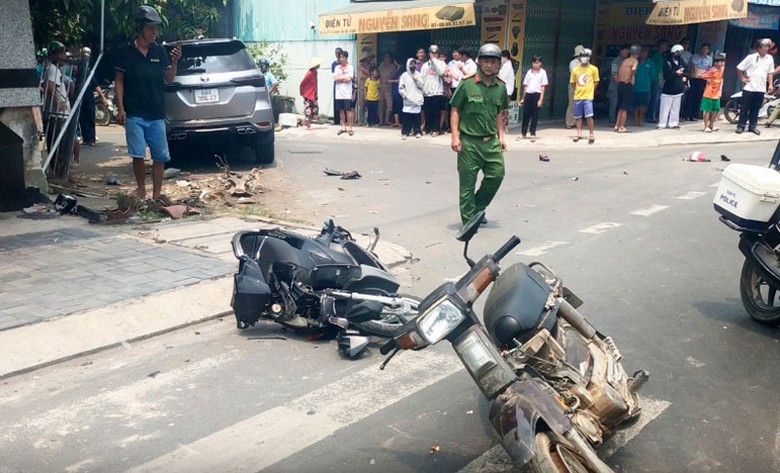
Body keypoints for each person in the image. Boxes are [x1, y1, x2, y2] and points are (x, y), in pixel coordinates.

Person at [115, 5, 180, 200]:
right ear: (140, 27)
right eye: (150, 28)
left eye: (156, 28)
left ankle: (156, 195)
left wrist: (175, 61)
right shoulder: (125, 51)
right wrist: (121, 108)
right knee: (138, 155)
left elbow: (169, 77)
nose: (154, 32)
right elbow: (119, 81)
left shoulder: (159, 51)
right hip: (134, 112)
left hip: (156, 113)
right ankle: (141, 189)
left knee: (160, 156)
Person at [449, 43, 508, 226]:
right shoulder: (467, 84)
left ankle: (477, 208)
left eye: (493, 62)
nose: (489, 65)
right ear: (479, 62)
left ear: (498, 64)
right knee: (467, 184)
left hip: (491, 142)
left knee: (497, 175)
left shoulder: (501, 87)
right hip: (469, 142)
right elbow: (455, 109)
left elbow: (499, 113)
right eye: (485, 61)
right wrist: (455, 136)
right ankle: (469, 221)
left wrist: (501, 136)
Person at [736, 38, 775, 135]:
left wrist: (770, 84)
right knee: (745, 108)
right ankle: (741, 126)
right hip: (749, 87)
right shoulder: (751, 57)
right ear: (759, 47)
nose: (767, 48)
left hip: (761, 88)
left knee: (756, 108)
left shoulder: (769, 58)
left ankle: (753, 126)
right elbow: (739, 68)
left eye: (768, 47)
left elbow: (770, 72)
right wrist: (742, 78)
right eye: (765, 46)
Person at [42, 41, 71, 168]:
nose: (64, 56)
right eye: (62, 53)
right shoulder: (52, 69)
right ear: (55, 55)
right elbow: (49, 86)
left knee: (59, 145)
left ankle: (59, 170)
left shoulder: (54, 69)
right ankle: (58, 170)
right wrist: (58, 102)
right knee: (58, 145)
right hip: (56, 115)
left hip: (58, 114)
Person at [570, 47, 599, 144]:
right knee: (578, 116)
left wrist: (591, 90)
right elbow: (572, 83)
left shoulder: (594, 69)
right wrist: (577, 90)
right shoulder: (575, 70)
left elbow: (596, 81)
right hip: (578, 96)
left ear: (589, 57)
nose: (584, 58)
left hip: (588, 97)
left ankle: (591, 133)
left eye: (586, 56)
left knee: (589, 116)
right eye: (582, 56)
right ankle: (579, 133)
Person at [658, 44, 688, 130]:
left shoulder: (681, 62)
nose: (679, 55)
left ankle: (673, 123)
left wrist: (685, 77)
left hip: (678, 89)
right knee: (665, 108)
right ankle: (662, 123)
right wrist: (676, 73)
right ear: (673, 53)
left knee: (675, 108)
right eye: (677, 53)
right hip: (668, 90)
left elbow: (686, 71)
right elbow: (667, 76)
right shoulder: (667, 63)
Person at [518, 55, 547, 141]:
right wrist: (524, 98)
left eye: (537, 62)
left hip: (537, 94)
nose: (535, 64)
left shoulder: (542, 73)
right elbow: (526, 86)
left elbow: (543, 87)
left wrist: (540, 99)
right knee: (526, 114)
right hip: (528, 94)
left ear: (540, 63)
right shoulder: (529, 72)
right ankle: (523, 133)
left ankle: (532, 133)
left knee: (534, 115)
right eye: (534, 62)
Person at [420, 44, 446, 136]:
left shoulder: (441, 63)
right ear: (429, 53)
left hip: (437, 91)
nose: (433, 55)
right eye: (432, 53)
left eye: (435, 53)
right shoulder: (425, 65)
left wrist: (435, 61)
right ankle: (428, 128)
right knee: (428, 111)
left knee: (436, 112)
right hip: (427, 91)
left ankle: (436, 129)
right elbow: (422, 77)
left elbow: (441, 72)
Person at [614, 45, 639, 133]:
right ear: (637, 53)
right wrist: (631, 77)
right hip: (627, 84)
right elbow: (634, 68)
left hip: (620, 84)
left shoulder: (625, 61)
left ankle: (617, 125)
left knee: (621, 106)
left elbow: (619, 71)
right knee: (625, 107)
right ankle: (621, 126)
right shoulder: (634, 61)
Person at [398, 58, 424, 139]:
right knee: (407, 117)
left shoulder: (418, 74)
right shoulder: (404, 75)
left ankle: (417, 131)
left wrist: (416, 80)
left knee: (416, 117)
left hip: (416, 99)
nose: (413, 66)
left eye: (414, 64)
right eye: (411, 64)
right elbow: (401, 88)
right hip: (408, 99)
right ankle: (405, 132)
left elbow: (422, 86)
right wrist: (405, 95)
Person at [684, 43, 711, 121]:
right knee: (690, 97)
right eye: (703, 48)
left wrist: (702, 73)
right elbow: (693, 68)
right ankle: (686, 115)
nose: (704, 50)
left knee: (698, 97)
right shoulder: (694, 57)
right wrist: (701, 71)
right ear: (701, 49)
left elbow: (708, 69)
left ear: (708, 50)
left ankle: (694, 115)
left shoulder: (709, 59)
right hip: (694, 78)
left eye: (706, 49)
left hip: (702, 80)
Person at [699, 54, 726, 132]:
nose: (722, 63)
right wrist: (708, 79)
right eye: (720, 62)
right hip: (709, 92)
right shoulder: (712, 70)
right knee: (708, 110)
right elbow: (701, 75)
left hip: (716, 93)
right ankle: (706, 126)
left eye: (723, 62)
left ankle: (711, 125)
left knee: (716, 109)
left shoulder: (721, 69)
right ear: (715, 63)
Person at [333, 50, 355, 136]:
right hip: (339, 93)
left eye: (342, 57)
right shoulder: (337, 68)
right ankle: (343, 127)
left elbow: (349, 79)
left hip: (347, 93)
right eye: (340, 57)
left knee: (348, 110)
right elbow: (335, 78)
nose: (341, 59)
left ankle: (350, 127)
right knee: (341, 110)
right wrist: (343, 78)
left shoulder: (350, 67)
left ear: (346, 58)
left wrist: (340, 79)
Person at [632, 46, 654, 127]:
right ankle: (635, 120)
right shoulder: (635, 62)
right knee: (635, 105)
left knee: (644, 105)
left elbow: (652, 74)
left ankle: (640, 119)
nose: (643, 54)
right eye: (642, 52)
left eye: (645, 52)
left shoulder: (650, 63)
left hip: (645, 88)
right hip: (635, 87)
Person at [647, 39, 669, 123]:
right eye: (665, 45)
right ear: (661, 45)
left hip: (658, 78)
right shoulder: (656, 55)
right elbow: (652, 67)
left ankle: (653, 115)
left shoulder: (661, 55)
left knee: (656, 97)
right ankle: (651, 116)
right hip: (655, 78)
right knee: (654, 98)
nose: (666, 47)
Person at [608, 45, 629, 126]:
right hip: (615, 87)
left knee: (622, 105)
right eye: (625, 51)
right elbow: (614, 74)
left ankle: (620, 121)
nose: (627, 53)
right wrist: (620, 84)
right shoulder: (616, 61)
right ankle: (612, 121)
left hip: (624, 86)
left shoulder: (627, 61)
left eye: (628, 51)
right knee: (614, 105)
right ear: (621, 51)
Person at [566, 45, 584, 128]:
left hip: (582, 85)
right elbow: (575, 74)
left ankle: (576, 122)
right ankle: (569, 122)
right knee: (572, 104)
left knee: (579, 105)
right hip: (574, 85)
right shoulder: (573, 63)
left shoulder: (585, 63)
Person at [300, 57, 320, 130]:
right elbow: (303, 82)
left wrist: (316, 93)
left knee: (315, 108)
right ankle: (308, 125)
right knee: (308, 109)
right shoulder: (309, 73)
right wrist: (301, 91)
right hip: (308, 94)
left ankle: (306, 122)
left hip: (313, 93)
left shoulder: (315, 72)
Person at [378, 53, 398, 126]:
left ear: (390, 59)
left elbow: (395, 76)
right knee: (380, 105)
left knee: (389, 106)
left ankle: (386, 120)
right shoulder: (381, 65)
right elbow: (377, 74)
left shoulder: (392, 67)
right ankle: (381, 121)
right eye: (385, 57)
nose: (385, 59)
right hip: (381, 87)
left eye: (387, 58)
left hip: (389, 87)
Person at [498, 49, 516, 132]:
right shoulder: (506, 65)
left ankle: (505, 127)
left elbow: (501, 77)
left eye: (501, 57)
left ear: (505, 57)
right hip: (505, 90)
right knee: (502, 109)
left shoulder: (507, 66)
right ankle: (503, 127)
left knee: (504, 109)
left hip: (506, 91)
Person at [356, 55, 373, 126]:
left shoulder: (371, 66)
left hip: (371, 88)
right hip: (362, 88)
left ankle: (369, 120)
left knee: (370, 105)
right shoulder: (360, 66)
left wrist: (365, 71)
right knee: (362, 105)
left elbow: (374, 75)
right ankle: (361, 120)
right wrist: (369, 75)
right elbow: (361, 76)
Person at [331, 47, 343, 125]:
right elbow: (334, 75)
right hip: (337, 83)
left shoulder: (344, 63)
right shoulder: (334, 64)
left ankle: (344, 119)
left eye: (339, 53)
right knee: (336, 102)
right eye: (336, 53)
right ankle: (337, 119)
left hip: (344, 83)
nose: (337, 55)